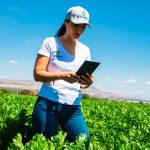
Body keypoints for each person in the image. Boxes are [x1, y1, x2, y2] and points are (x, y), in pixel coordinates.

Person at [32, 6, 93, 142]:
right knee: (45, 144)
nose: (79, 30)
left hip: (73, 108)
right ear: (66, 22)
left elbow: (83, 84)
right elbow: (37, 74)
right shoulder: (50, 43)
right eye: (76, 25)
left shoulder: (85, 50)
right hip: (47, 105)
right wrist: (62, 76)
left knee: (84, 143)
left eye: (83, 27)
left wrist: (87, 82)